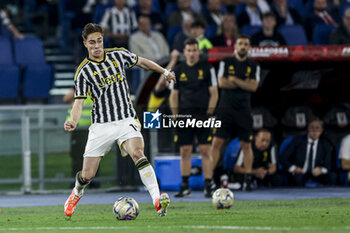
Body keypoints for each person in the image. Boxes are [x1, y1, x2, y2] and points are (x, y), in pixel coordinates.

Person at [63, 23, 176, 217]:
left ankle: (157, 200)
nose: (97, 45)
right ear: (85, 44)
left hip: (126, 119)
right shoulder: (83, 72)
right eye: (92, 42)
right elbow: (79, 102)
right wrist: (73, 120)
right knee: (87, 175)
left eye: (99, 41)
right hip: (101, 126)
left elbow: (143, 62)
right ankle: (77, 192)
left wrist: (164, 72)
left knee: (138, 153)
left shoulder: (118, 54)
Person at [169, 38, 218, 197]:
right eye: (188, 50)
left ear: (198, 51)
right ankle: (184, 185)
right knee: (185, 151)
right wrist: (176, 116)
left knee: (205, 150)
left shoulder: (208, 68)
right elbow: (173, 95)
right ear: (185, 52)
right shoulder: (178, 69)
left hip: (203, 116)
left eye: (194, 50)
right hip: (184, 116)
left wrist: (209, 113)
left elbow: (214, 93)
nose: (191, 53)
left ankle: (209, 185)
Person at [211, 35, 260, 191]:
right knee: (217, 143)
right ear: (235, 46)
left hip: (244, 110)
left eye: (246, 44)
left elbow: (254, 87)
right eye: (240, 44)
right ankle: (210, 178)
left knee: (246, 145)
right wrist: (243, 83)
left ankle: (247, 179)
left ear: (249, 47)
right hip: (225, 109)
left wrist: (234, 80)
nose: (243, 46)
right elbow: (221, 82)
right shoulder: (226, 62)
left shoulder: (253, 65)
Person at [281, 119, 337, 186]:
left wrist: (321, 170)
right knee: (298, 178)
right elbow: (283, 158)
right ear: (308, 129)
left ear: (322, 131)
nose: (314, 130)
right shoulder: (297, 140)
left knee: (332, 176)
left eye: (317, 128)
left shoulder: (326, 144)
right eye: (312, 127)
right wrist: (294, 168)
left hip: (317, 174)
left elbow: (329, 164)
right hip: (300, 172)